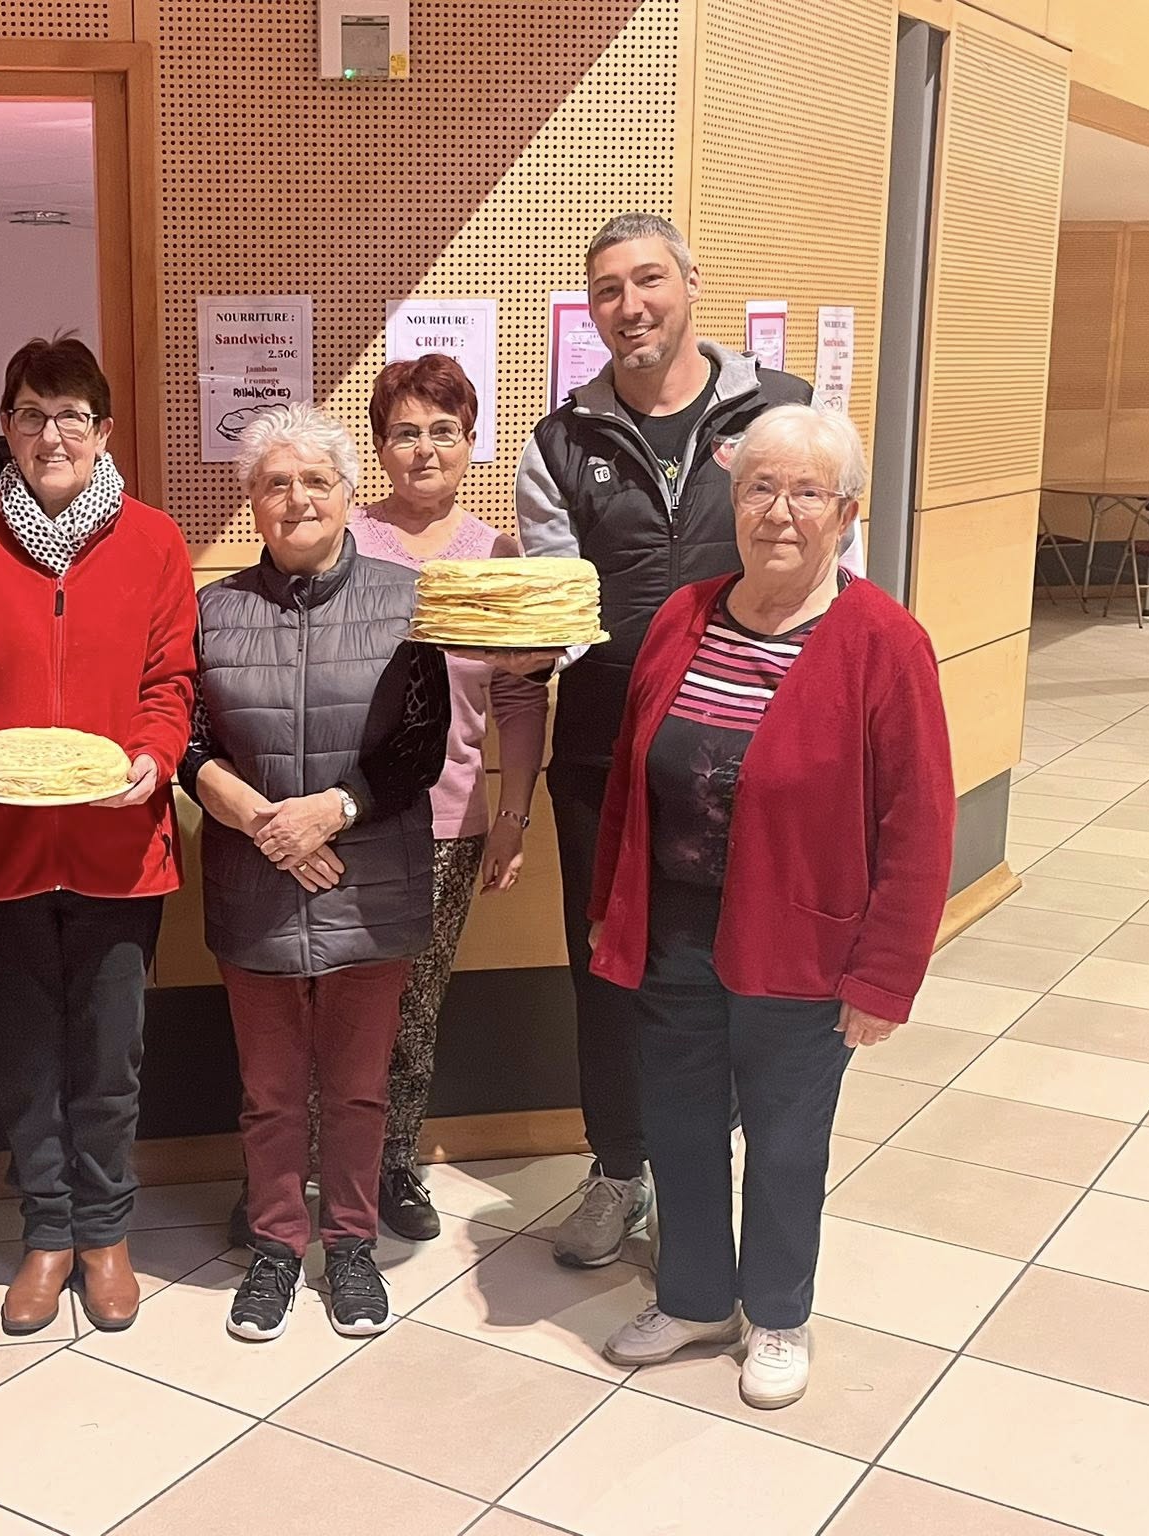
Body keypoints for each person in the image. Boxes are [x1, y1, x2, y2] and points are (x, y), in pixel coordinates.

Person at [590, 404, 952, 1409]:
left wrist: (883, 976)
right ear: (730, 499)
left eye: (803, 493)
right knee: (678, 1121)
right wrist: (611, 911)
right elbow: (630, 777)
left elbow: (917, 826)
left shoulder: (883, 643)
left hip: (804, 945)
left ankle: (779, 1313)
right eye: (757, 488)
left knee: (787, 1140)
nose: (777, 513)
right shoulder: (684, 614)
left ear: (844, 513)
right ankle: (698, 1295)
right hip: (673, 934)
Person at [511, 211, 811, 1270]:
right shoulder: (559, 442)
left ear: (690, 282)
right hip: (603, 754)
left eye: (646, 281)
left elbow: (831, 572)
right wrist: (505, 644)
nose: (628, 306)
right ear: (587, 311)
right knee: (608, 966)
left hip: (753, 748)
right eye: (605, 291)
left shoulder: (782, 412)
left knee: (744, 966)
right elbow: (553, 605)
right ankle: (615, 1169)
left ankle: (716, 1171)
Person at [0, 335, 197, 1337]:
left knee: (108, 1051)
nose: (51, 433)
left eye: (72, 414)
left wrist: (152, 760)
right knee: (24, 1051)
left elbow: (169, 687)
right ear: (7, 428)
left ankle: (106, 1232)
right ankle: (47, 1231)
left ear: (104, 430)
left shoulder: (156, 543)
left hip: (121, 846)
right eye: (30, 413)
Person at [183, 403, 450, 1342]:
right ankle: (271, 1246)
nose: (294, 498)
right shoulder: (212, 610)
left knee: (357, 1087)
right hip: (255, 877)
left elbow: (423, 747)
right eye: (273, 482)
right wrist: (265, 823)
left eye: (315, 481)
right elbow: (190, 743)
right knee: (267, 1089)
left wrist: (328, 812)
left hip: (366, 879)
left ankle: (349, 1248)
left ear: (347, 496)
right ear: (250, 500)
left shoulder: (409, 597)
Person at [349, 355, 548, 1240]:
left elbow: (515, 694)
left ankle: (394, 1162)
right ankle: (318, 1164)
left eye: (443, 431)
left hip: (449, 819)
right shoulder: (344, 539)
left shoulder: (500, 555)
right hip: (347, 816)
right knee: (334, 993)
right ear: (379, 446)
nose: (423, 449)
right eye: (403, 431)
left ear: (472, 444)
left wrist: (512, 815)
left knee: (415, 1001)